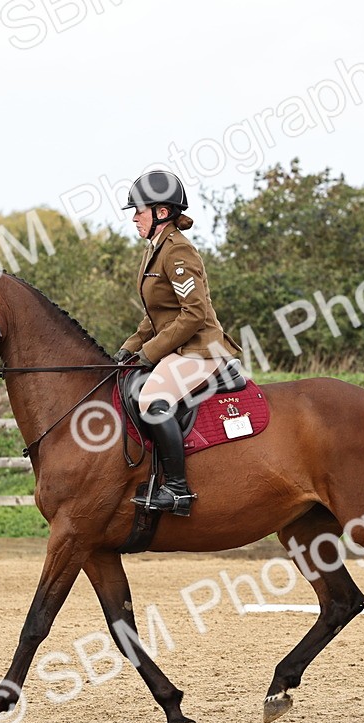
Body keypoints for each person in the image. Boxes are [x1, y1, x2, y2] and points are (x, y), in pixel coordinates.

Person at [114, 170, 240, 517]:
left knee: (152, 398)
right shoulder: (154, 250)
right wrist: (128, 348)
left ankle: (178, 491)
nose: (134, 216)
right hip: (179, 347)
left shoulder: (178, 251)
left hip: (201, 350)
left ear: (162, 212)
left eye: (139, 210)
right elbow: (157, 315)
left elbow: (193, 315)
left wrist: (148, 353)